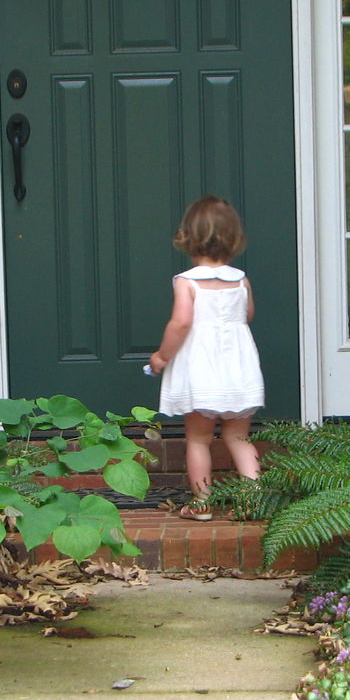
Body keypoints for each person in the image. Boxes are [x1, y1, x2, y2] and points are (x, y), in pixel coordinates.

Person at [149, 196, 264, 521]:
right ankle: (252, 501)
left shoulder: (186, 282)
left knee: (198, 439)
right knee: (239, 437)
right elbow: (248, 313)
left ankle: (201, 503)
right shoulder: (241, 279)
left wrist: (161, 356)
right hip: (238, 370)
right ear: (233, 238)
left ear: (188, 236)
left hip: (201, 372)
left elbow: (181, 323)